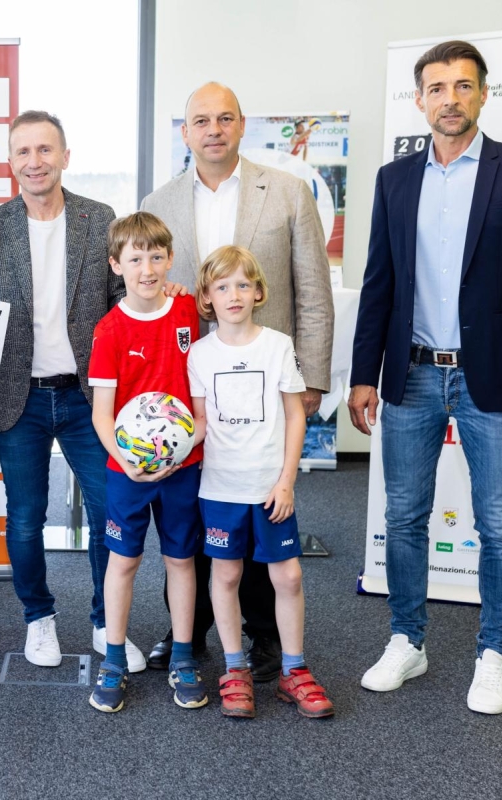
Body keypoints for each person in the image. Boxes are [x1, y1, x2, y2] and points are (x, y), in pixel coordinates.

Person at [349, 40, 502, 715]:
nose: (450, 99)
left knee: (498, 524)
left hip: (494, 381)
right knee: (405, 517)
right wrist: (362, 375)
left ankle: (494, 653)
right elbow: (379, 284)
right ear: (419, 99)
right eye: (437, 87)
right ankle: (408, 641)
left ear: (482, 94)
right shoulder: (395, 179)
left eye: (462, 86)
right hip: (410, 376)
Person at [141, 82, 334, 678]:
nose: (214, 129)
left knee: (259, 505)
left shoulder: (287, 193)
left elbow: (313, 293)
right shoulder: (160, 201)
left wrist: (314, 378)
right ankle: (188, 633)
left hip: (267, 382)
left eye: (225, 118)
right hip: (189, 384)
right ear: (185, 132)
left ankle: (266, 639)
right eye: (201, 120)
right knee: (194, 510)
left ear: (242, 125)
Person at [0, 111, 148, 673]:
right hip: (20, 396)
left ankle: (103, 622)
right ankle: (37, 619)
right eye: (23, 151)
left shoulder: (100, 219)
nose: (35, 161)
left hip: (88, 397)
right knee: (24, 517)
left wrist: (158, 289)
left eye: (46, 149)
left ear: (65, 156)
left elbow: (124, 300)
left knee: (106, 508)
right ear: (11, 161)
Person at [189, 244, 333, 719]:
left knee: (287, 576)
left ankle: (294, 670)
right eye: (223, 286)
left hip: (271, 487)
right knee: (225, 575)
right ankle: (234, 669)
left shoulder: (277, 346)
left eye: (243, 285)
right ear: (208, 296)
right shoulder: (200, 354)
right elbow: (202, 422)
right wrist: (163, 447)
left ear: (258, 292)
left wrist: (287, 481)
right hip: (221, 489)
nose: (234, 295)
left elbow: (296, 417)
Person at [86, 212, 209, 712]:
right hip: (128, 473)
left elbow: (201, 406)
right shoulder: (109, 330)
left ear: (170, 259)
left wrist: (187, 445)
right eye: (135, 259)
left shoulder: (185, 311)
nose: (147, 268)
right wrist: (126, 460)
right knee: (125, 561)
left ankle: (183, 658)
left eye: (156, 257)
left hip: (184, 467)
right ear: (116, 265)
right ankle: (113, 659)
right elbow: (101, 415)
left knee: (181, 560)